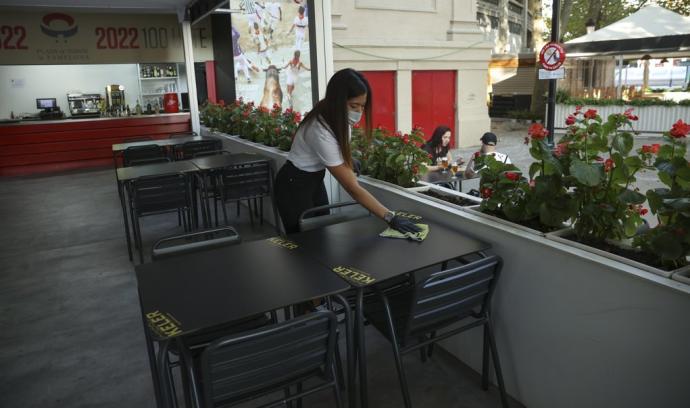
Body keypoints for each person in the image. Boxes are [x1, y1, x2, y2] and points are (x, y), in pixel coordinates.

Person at [274, 68, 421, 235]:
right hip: (293, 185)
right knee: (304, 245)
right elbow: (352, 188)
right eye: (353, 105)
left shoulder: (336, 116)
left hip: (314, 180)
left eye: (362, 106)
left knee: (322, 236)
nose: (358, 112)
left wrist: (348, 158)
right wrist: (390, 217)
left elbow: (337, 145)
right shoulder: (320, 130)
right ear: (337, 101)